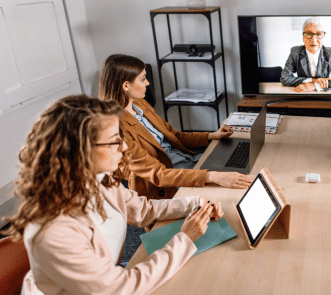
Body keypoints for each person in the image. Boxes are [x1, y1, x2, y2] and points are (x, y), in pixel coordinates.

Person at [5, 95, 222, 295]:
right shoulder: (52, 229)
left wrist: (196, 204)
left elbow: (145, 210)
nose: (125, 146)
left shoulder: (99, 180)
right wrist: (185, 239)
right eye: (114, 140)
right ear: (79, 150)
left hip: (100, 290)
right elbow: (122, 289)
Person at [99, 54, 252, 200]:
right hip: (167, 183)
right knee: (234, 192)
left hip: (184, 162)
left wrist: (211, 136)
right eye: (143, 79)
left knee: (245, 168)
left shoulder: (138, 103)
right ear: (126, 85)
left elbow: (174, 135)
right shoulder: (116, 129)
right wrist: (212, 176)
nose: (148, 83)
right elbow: (159, 174)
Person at [280, 18, 331, 92]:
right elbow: (285, 79)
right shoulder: (295, 52)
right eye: (308, 34)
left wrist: (316, 85)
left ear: (323, 37)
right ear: (303, 37)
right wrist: (313, 80)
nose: (313, 40)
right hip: (301, 93)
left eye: (319, 34)